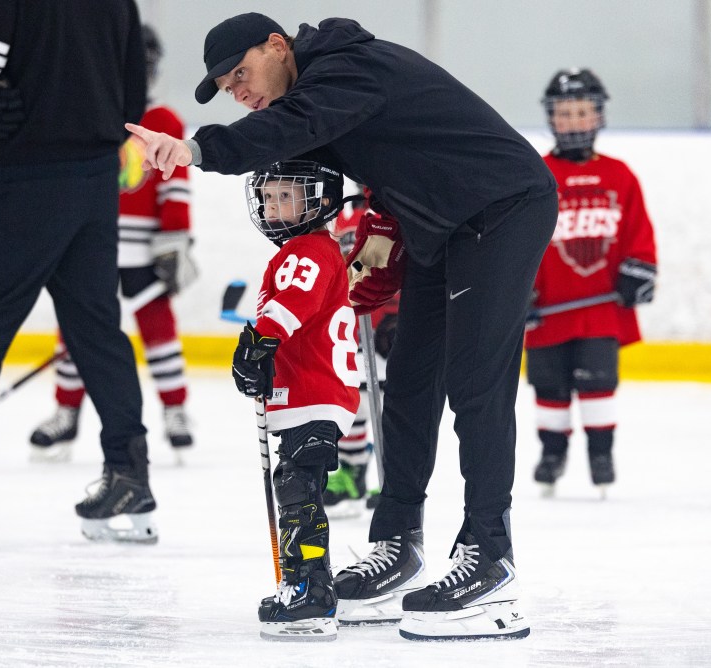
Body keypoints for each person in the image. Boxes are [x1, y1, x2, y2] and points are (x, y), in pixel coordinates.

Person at [127, 13, 557, 640]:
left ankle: (490, 557)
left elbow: (288, 127)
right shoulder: (319, 95)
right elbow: (315, 160)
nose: (239, 93)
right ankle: (399, 547)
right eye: (227, 88)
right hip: (443, 225)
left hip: (504, 206)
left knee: (474, 383)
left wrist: (192, 149)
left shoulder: (347, 68)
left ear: (279, 47)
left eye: (241, 74)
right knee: (409, 384)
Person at [0, 0, 157, 547]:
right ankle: (129, 473)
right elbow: (132, 89)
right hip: (95, 181)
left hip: (27, 179)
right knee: (96, 331)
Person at [29, 24, 197, 463]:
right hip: (92, 248)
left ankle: (176, 411)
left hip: (145, 252)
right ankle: (65, 414)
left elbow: (174, 186)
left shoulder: (164, 121)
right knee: (75, 334)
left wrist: (174, 239)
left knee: (160, 332)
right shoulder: (87, 114)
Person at [232, 155, 359, 640]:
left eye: (286, 196)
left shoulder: (309, 248)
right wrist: (265, 360)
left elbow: (291, 306)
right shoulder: (307, 250)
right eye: (267, 197)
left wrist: (258, 343)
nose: (273, 207)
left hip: (315, 392)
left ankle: (312, 590)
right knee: (295, 488)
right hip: (310, 392)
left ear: (321, 201)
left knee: (299, 492)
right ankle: (303, 584)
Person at [525, 68, 658, 497]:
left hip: (601, 309)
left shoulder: (621, 176)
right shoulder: (535, 175)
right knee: (550, 388)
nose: (575, 121)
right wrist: (515, 289)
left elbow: (639, 232)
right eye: (565, 113)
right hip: (547, 310)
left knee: (598, 383)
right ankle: (552, 453)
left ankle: (601, 454)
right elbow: (519, 240)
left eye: (583, 112)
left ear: (598, 116)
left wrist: (639, 267)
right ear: (551, 118)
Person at [322, 190, 399, 519]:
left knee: (386, 409)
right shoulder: (340, 212)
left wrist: (398, 316)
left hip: (388, 330)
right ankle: (353, 472)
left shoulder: (398, 207)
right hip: (348, 328)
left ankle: (394, 482)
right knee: (352, 404)